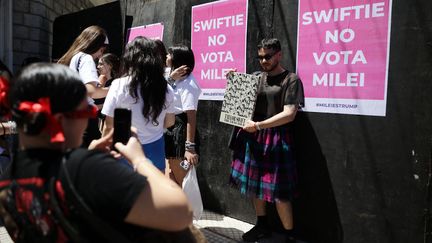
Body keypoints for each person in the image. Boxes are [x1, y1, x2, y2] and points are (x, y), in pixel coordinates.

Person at [0, 63, 193, 242]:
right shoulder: (85, 169)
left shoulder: (8, 178)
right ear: (60, 119)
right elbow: (180, 213)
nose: (86, 124)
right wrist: (139, 160)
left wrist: (89, 153)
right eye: (86, 113)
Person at [228, 38, 304, 243]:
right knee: (254, 185)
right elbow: (238, 105)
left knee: (279, 192)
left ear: (279, 54)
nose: (263, 61)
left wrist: (259, 126)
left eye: (268, 57)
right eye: (260, 57)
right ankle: (262, 225)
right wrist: (234, 83)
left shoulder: (291, 79)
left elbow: (289, 114)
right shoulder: (254, 77)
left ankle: (290, 235)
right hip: (252, 136)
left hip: (277, 138)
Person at [102, 37, 175, 171]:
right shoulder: (166, 88)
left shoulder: (119, 85)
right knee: (154, 189)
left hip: (126, 148)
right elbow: (170, 122)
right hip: (156, 148)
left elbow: (109, 126)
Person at [57, 25, 110, 147]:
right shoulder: (86, 58)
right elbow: (91, 91)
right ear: (94, 44)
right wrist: (115, 88)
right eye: (101, 50)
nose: (100, 56)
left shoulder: (72, 58)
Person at [164, 44, 201, 185]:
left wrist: (189, 148)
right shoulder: (170, 75)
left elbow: (191, 116)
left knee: (182, 182)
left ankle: (187, 207)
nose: (167, 56)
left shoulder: (189, 83)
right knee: (170, 177)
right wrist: (171, 79)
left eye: (170, 54)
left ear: (177, 59)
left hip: (180, 131)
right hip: (169, 127)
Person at [94, 53, 121, 131]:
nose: (98, 67)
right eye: (98, 64)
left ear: (110, 65)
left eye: (101, 64)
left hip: (108, 124)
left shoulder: (115, 83)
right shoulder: (103, 81)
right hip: (100, 121)